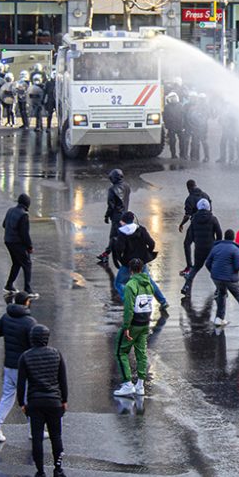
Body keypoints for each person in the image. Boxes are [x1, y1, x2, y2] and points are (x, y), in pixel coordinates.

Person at [16, 324, 68, 477]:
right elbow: (62, 380)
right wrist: (64, 400)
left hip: (35, 402)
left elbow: (21, 383)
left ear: (32, 338)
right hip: (54, 402)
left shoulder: (25, 357)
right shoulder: (56, 354)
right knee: (56, 437)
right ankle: (58, 470)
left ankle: (40, 473)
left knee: (37, 439)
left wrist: (22, 403)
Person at [0, 291, 37, 443]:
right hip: (24, 367)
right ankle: (34, 430)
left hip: (9, 365)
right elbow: (35, 345)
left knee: (7, 396)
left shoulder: (6, 317)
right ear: (27, 303)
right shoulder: (30, 322)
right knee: (29, 397)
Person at [114, 259, 155, 398]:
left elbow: (129, 308)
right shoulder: (149, 284)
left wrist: (126, 326)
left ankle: (127, 384)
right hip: (145, 324)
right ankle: (140, 385)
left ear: (130, 270)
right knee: (141, 353)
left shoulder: (131, 285)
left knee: (121, 352)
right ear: (142, 269)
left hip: (133, 325)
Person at [112, 211, 169, 308]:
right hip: (141, 262)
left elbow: (119, 249)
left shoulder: (122, 233)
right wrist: (146, 254)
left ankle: (129, 301)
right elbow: (151, 243)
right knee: (148, 282)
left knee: (119, 283)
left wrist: (121, 260)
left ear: (124, 221)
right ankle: (163, 301)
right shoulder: (141, 230)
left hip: (128, 263)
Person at [207, 229, 239, 328]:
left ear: (224, 237)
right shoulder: (235, 249)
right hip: (230, 278)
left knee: (221, 295)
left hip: (216, 278)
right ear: (233, 238)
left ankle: (218, 319)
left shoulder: (216, 247)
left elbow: (207, 263)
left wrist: (215, 272)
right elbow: (238, 266)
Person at [182, 199, 222, 296]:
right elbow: (219, 234)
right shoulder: (213, 219)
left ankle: (186, 286)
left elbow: (190, 237)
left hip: (199, 248)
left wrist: (195, 241)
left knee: (196, 267)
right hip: (211, 248)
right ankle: (219, 288)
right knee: (213, 269)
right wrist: (216, 245)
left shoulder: (194, 220)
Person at [2, 194, 36, 298]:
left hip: (8, 241)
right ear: (27, 204)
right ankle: (28, 289)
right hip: (17, 243)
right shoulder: (23, 215)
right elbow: (24, 234)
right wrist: (29, 247)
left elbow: (4, 224)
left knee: (16, 263)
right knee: (27, 264)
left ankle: (9, 285)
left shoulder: (10, 210)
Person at [97, 169, 130, 265]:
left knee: (113, 237)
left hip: (117, 217)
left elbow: (111, 206)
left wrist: (107, 216)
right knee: (122, 235)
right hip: (125, 215)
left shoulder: (112, 190)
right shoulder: (127, 186)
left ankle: (106, 254)